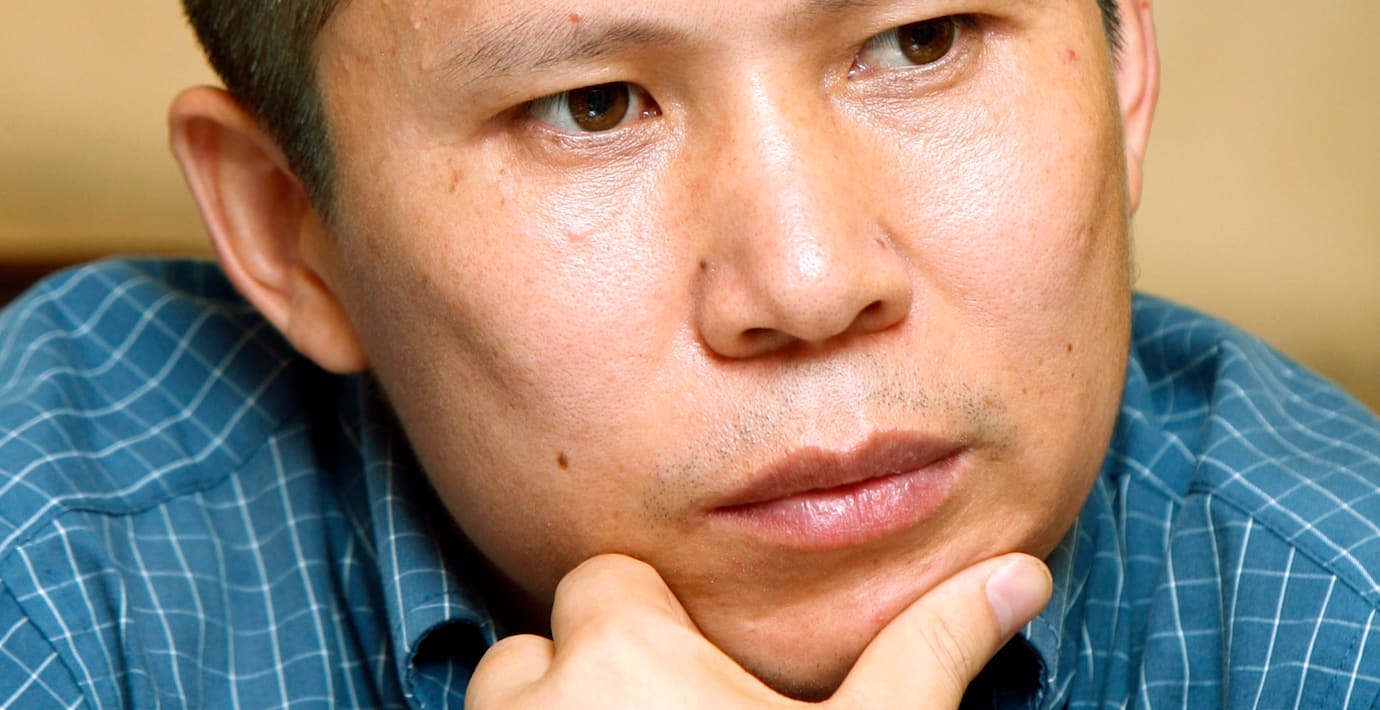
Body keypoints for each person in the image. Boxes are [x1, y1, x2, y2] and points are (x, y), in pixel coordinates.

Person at [1, 0, 1378, 706]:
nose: (811, 281)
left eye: (922, 38)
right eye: (592, 106)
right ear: (291, 230)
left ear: (1122, 64)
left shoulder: (1342, 627)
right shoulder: (61, 575)